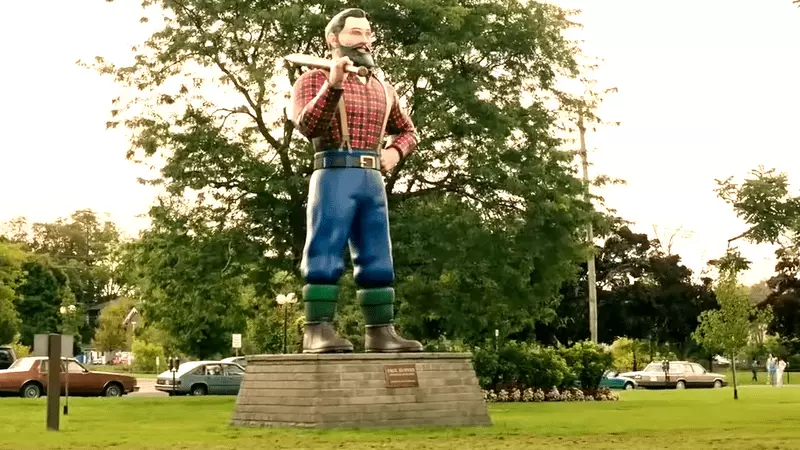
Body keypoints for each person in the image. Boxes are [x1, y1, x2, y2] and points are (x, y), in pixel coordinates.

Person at [290, 8, 423, 354]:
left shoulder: (383, 87)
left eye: (368, 33)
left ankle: (381, 332)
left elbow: (409, 131)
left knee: (378, 256)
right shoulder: (312, 81)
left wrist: (395, 151)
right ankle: (317, 330)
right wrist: (333, 85)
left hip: (372, 179)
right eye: (355, 33)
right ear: (334, 39)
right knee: (324, 251)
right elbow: (308, 126)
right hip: (333, 172)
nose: (364, 39)